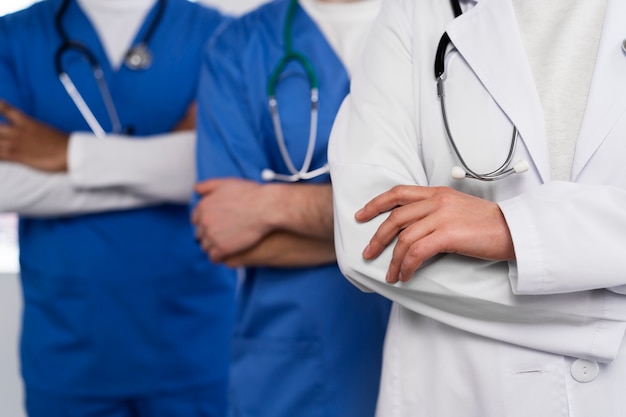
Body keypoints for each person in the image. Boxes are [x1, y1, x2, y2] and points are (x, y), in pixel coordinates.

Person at [327, 0, 626, 416]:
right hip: (460, 392)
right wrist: (608, 308)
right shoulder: (416, 12)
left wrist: (511, 229)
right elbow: (371, 241)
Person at [0, 1, 237, 416]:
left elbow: (219, 171)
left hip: (192, 343)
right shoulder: (13, 38)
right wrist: (163, 169)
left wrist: (66, 152)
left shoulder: (221, 36)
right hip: (69, 349)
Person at [191, 0, 391, 415]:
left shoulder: (453, 29)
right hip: (299, 368)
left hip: (442, 350)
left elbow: (487, 207)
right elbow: (225, 236)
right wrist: (416, 235)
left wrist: (271, 204)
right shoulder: (239, 46)